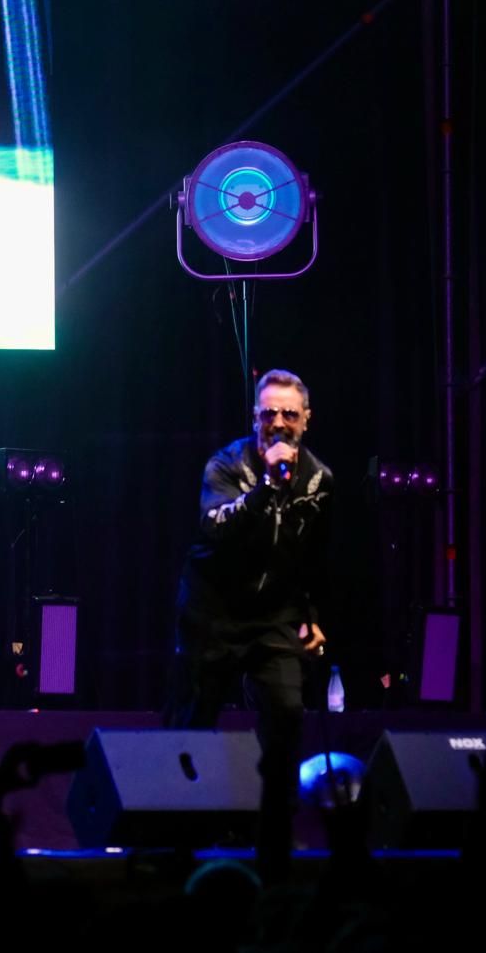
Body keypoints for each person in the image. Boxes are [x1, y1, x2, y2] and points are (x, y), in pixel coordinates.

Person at [164, 368, 334, 883]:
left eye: (289, 414)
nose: (278, 423)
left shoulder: (319, 479)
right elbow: (215, 530)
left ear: (306, 420)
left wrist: (312, 616)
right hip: (213, 613)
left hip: (273, 616)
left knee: (286, 714)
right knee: (194, 721)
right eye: (269, 413)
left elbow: (313, 556)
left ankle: (274, 841)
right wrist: (265, 487)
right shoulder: (225, 465)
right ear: (255, 418)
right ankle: (181, 843)